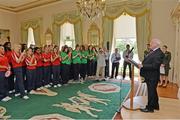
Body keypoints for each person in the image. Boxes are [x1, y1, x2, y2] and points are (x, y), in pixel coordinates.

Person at [138, 38, 164, 112]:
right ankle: (155, 106)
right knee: (153, 91)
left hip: (152, 76)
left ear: (156, 44)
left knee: (151, 92)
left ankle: (150, 108)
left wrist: (143, 66)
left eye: (152, 43)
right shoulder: (153, 51)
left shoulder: (159, 53)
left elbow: (154, 66)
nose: (150, 44)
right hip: (150, 75)